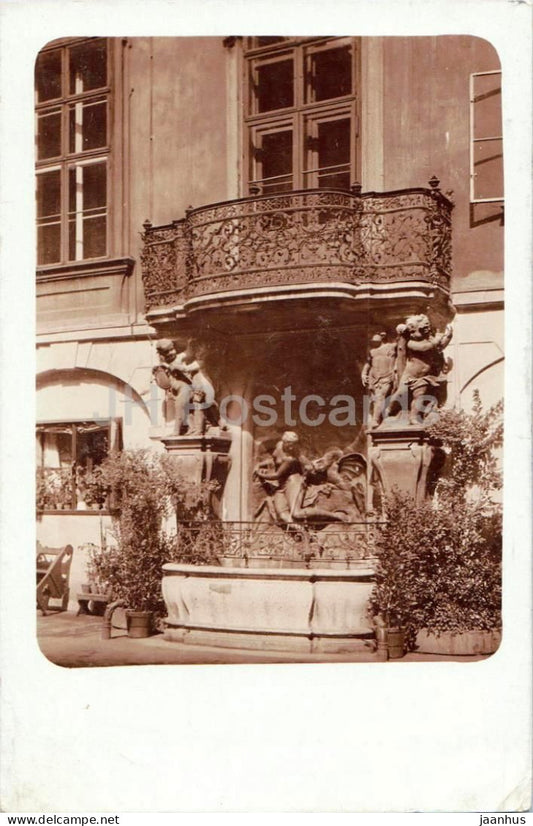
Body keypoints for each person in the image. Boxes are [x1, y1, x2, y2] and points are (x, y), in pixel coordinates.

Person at [254, 432, 347, 524]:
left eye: (294, 444)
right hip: (281, 485)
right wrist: (260, 464)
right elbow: (275, 460)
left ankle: (336, 516)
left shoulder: (290, 458)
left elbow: (277, 475)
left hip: (294, 482)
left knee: (296, 514)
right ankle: (302, 533)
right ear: (284, 442)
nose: (292, 447)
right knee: (282, 515)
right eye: (289, 444)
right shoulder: (279, 446)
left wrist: (260, 474)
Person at [391, 314, 453, 425]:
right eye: (424, 327)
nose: (427, 329)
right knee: (399, 395)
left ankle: (413, 417)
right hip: (410, 376)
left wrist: (448, 337)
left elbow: (439, 347)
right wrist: (438, 338)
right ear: (414, 329)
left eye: (428, 326)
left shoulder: (430, 340)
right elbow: (424, 348)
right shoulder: (410, 343)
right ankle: (388, 410)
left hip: (424, 376)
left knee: (419, 396)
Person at [361, 332, 397, 428]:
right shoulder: (372, 351)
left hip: (386, 376)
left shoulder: (391, 346)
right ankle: (378, 418)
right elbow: (368, 364)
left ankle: (375, 420)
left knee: (380, 397)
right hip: (374, 378)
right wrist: (363, 374)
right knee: (375, 398)